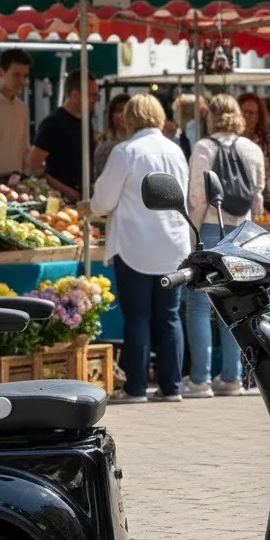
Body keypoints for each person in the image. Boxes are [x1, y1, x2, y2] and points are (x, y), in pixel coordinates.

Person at [81, 94, 189, 403]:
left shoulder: (125, 151)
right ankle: (172, 388)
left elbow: (103, 200)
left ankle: (137, 387)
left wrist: (89, 206)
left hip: (135, 245)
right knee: (169, 316)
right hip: (173, 244)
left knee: (138, 318)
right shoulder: (175, 150)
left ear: (129, 117)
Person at [184, 94, 265, 398]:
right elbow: (258, 196)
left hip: (209, 227)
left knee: (199, 304)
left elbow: (196, 197)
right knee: (236, 303)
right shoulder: (252, 148)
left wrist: (192, 238)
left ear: (211, 117)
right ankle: (232, 377)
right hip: (242, 229)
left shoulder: (203, 148)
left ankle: (200, 379)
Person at [28, 69, 98, 200]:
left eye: (96, 95)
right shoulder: (53, 123)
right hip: (61, 200)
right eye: (91, 95)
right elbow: (33, 165)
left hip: (86, 197)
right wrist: (66, 190)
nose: (95, 99)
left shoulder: (86, 119)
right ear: (74, 94)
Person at [238, 91, 270, 201]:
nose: (247, 117)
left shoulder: (267, 141)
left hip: (263, 198)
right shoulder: (229, 141)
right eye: (244, 112)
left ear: (259, 117)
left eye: (252, 113)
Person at [93, 93, 130, 180]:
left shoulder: (140, 142)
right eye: (119, 110)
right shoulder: (104, 143)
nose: (122, 115)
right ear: (112, 115)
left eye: (127, 111)